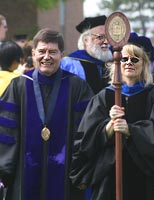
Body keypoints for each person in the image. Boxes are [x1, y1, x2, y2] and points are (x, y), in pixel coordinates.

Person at [70, 39, 154, 200]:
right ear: (116, 64)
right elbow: (85, 138)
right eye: (124, 59)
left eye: (135, 59)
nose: (129, 62)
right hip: (109, 177)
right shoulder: (104, 97)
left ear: (144, 65)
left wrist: (131, 130)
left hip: (147, 178)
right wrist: (108, 128)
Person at [0, 28, 94, 200]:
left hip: (66, 178)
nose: (46, 57)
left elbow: (87, 132)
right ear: (33, 53)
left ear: (61, 54)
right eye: (42, 51)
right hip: (24, 175)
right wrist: (4, 173)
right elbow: (6, 134)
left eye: (53, 52)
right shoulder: (18, 86)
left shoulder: (77, 87)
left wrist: (81, 171)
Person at [60, 15, 113, 94]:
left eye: (108, 37)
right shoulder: (69, 64)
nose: (106, 41)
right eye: (100, 37)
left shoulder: (113, 63)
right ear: (86, 40)